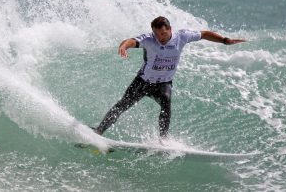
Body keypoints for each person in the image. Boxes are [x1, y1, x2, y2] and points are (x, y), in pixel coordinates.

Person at [93, 16, 246, 138]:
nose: (160, 38)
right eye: (157, 34)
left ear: (170, 29)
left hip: (164, 83)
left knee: (166, 105)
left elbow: (204, 34)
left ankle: (163, 140)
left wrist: (225, 40)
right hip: (143, 81)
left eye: (163, 34)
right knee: (122, 106)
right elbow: (131, 41)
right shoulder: (149, 39)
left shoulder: (182, 36)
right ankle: (99, 131)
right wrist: (123, 46)